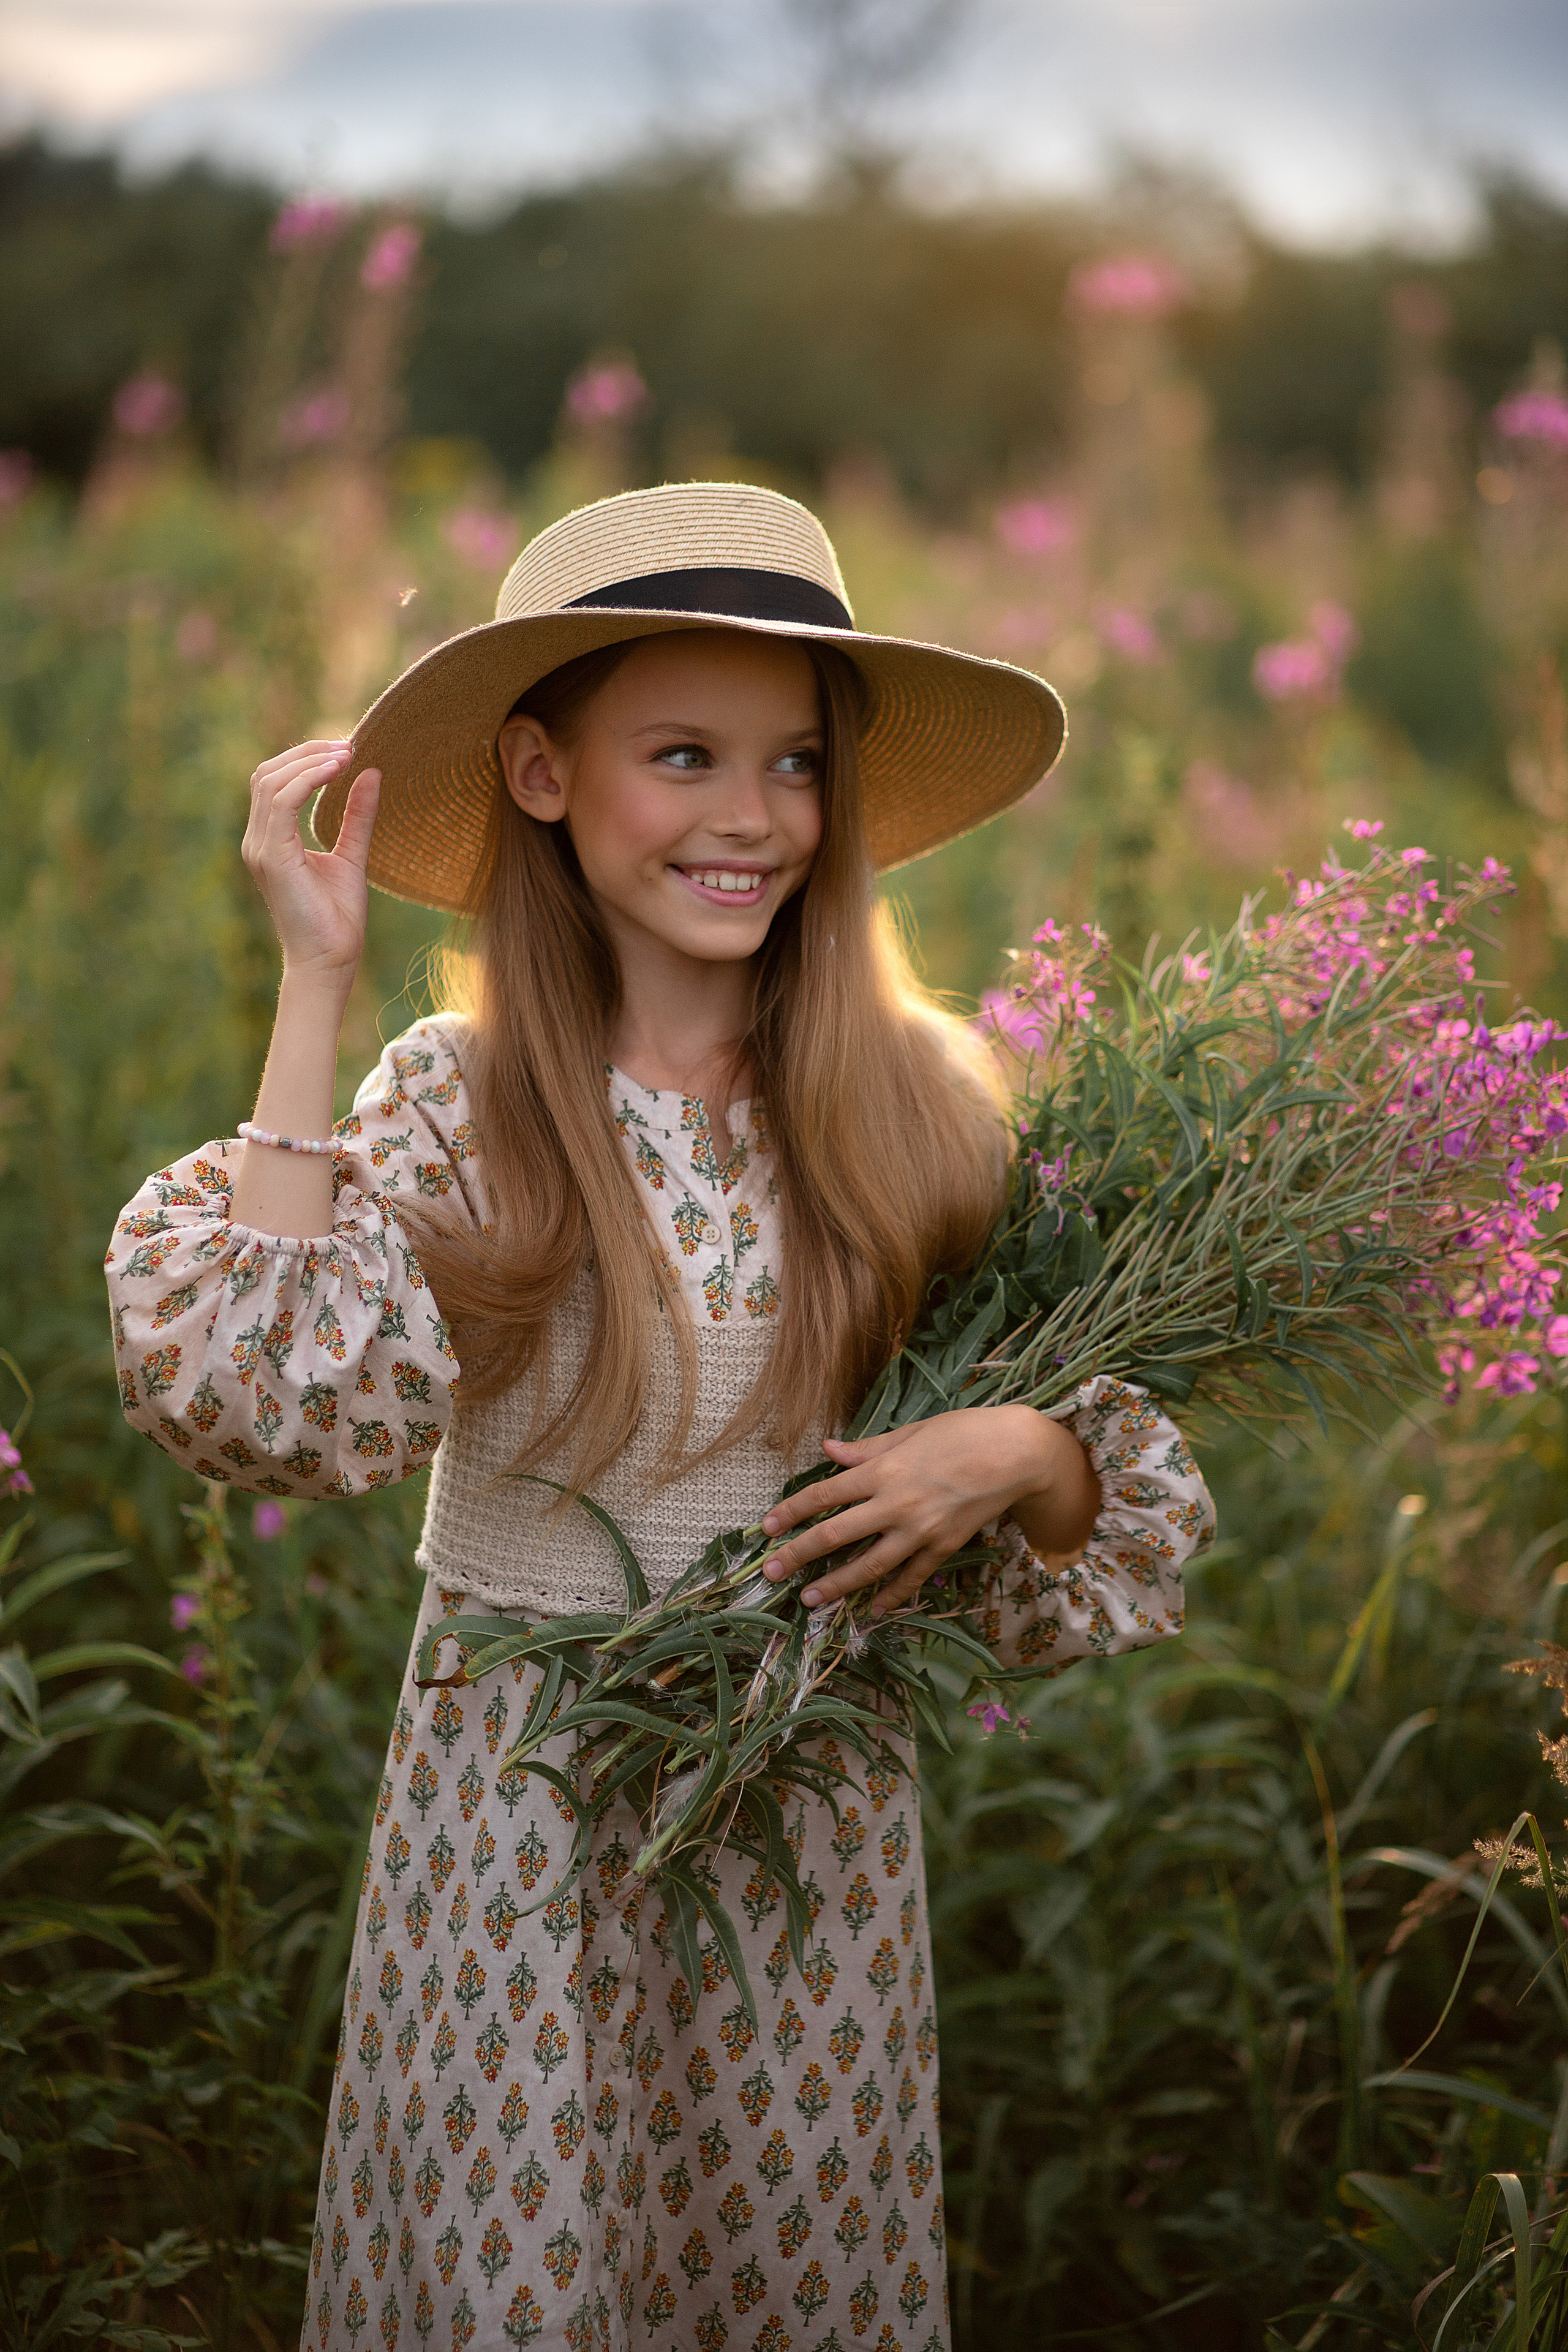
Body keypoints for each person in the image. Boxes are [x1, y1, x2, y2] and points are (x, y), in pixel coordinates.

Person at [106, 483, 1213, 2352]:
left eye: (794, 764)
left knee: (779, 2259)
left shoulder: (922, 1108)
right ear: (541, 774)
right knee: (517, 2272)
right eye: (681, 753)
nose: (750, 817)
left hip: (810, 1819)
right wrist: (314, 969)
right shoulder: (464, 1095)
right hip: (519, 1809)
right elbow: (258, 1397)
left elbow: (1112, 1460)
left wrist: (1021, 1455)